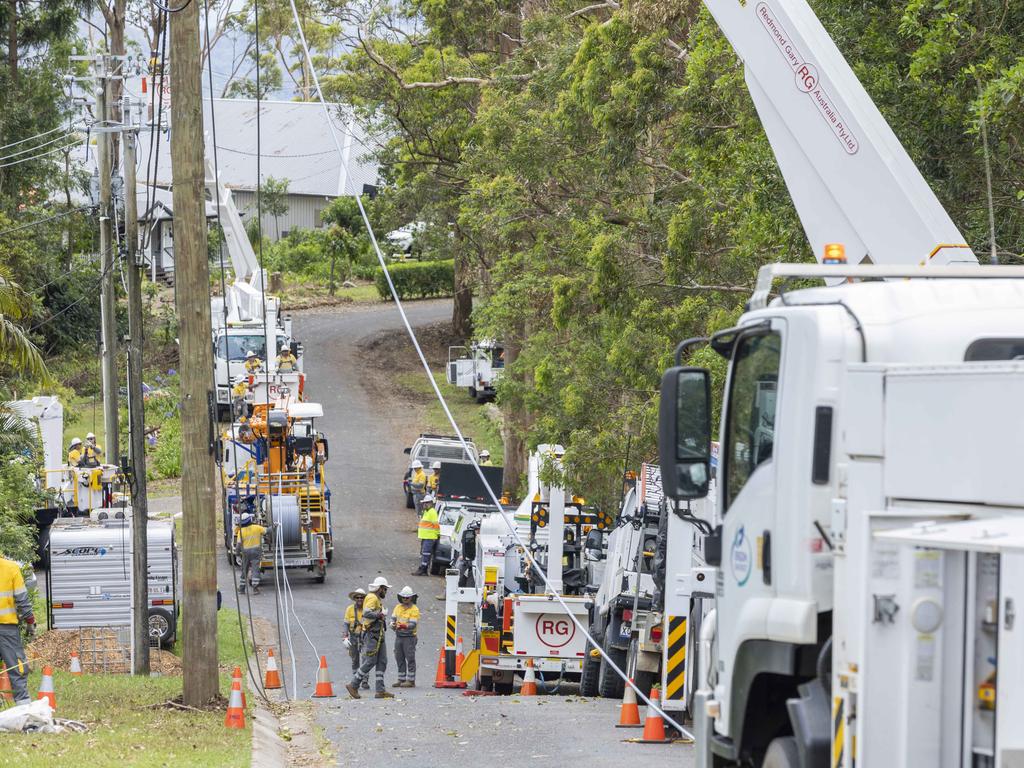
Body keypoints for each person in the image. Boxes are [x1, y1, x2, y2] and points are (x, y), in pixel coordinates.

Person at [346, 577, 394, 699]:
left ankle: (380, 690)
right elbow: (366, 613)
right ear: (380, 588)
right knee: (370, 661)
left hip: (378, 633)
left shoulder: (375, 598)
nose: (386, 592)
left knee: (382, 661)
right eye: (385, 589)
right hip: (372, 634)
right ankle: (354, 684)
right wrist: (379, 614)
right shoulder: (372, 598)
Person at [0, 556, 36, 704]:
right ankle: (24, 709)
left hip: (7, 629)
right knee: (17, 667)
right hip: (7, 629)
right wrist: (30, 622)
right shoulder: (11, 567)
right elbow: (22, 599)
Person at [391, 586, 420, 687]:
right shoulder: (397, 607)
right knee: (399, 657)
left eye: (407, 597)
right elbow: (393, 619)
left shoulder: (414, 609)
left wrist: (403, 625)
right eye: (403, 597)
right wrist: (392, 624)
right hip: (399, 636)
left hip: (409, 637)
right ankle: (401, 679)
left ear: (411, 598)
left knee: (410, 658)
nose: (405, 599)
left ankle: (411, 680)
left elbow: (413, 624)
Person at [235, 512, 266, 594]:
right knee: (255, 569)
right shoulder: (257, 528)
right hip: (256, 552)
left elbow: (238, 545)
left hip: (245, 553)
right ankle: (255, 588)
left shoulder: (240, 531)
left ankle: (242, 589)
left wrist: (237, 555)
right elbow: (267, 531)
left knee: (244, 569)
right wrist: (274, 526)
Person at [343, 589, 368, 689]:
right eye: (357, 597)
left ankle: (365, 680)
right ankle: (355, 680)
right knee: (355, 660)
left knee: (366, 659)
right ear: (354, 599)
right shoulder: (349, 609)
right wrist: (345, 637)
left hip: (365, 637)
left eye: (362, 597)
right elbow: (346, 624)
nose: (359, 599)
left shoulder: (367, 609)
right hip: (353, 637)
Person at [413, 494, 440, 576]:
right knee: (424, 553)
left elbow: (436, 525)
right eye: (424, 503)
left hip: (430, 537)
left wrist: (436, 535)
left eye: (426, 503)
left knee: (426, 553)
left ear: (431, 503)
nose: (424, 505)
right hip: (425, 536)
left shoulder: (432, 512)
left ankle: (423, 569)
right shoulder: (426, 512)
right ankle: (423, 569)